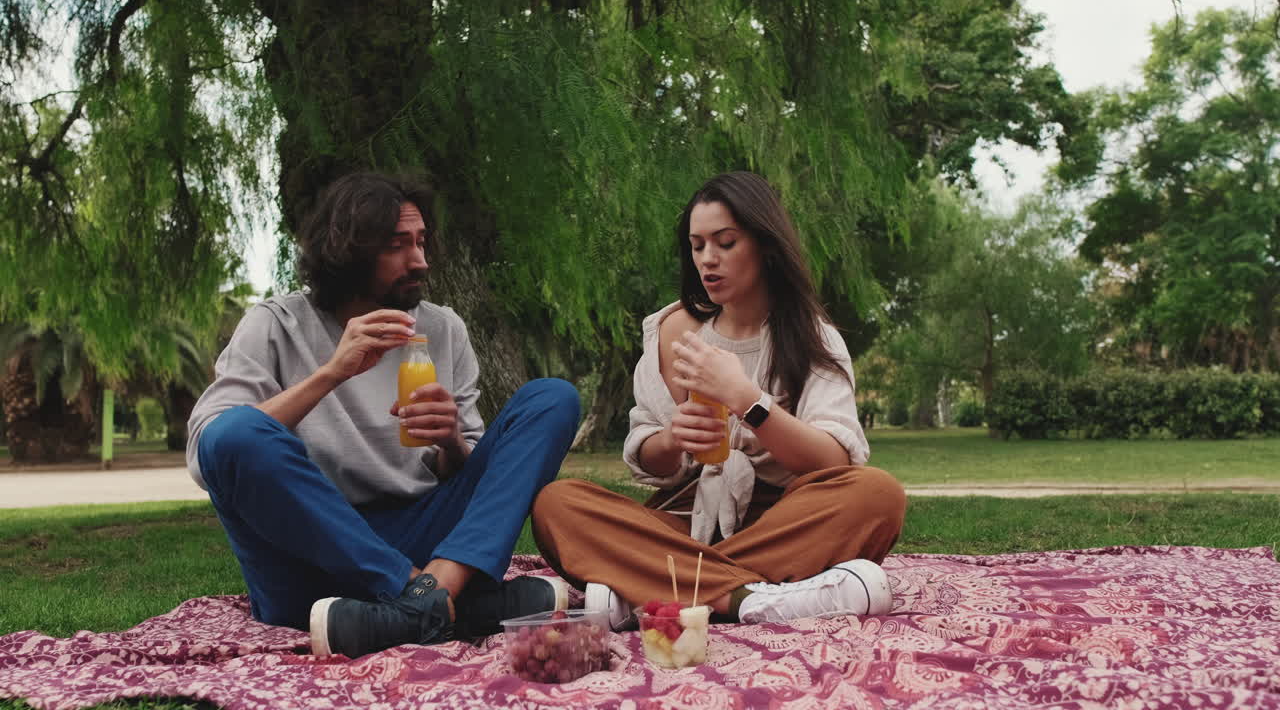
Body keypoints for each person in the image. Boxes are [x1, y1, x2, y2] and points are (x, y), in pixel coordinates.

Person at [187, 171, 580, 658]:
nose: (421, 260)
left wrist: (452, 441)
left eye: (421, 242)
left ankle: (427, 595)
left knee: (552, 398)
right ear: (347, 249)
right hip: (309, 550)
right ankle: (446, 603)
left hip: (420, 536)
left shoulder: (441, 328)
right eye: (398, 245)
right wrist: (330, 373)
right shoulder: (275, 325)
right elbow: (210, 454)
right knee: (238, 430)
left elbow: (477, 481)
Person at [532, 172, 905, 629]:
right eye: (697, 245)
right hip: (687, 521)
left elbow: (835, 461)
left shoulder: (811, 336)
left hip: (785, 521)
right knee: (556, 504)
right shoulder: (673, 333)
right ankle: (754, 599)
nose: (708, 259)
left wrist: (748, 400)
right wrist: (672, 440)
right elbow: (649, 458)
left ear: (765, 246)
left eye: (725, 243)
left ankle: (646, 587)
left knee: (877, 494)